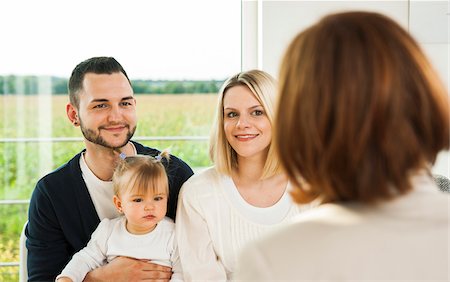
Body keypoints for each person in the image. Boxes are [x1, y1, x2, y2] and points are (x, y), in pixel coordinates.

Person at [235, 11, 450, 281]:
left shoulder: (274, 260)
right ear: (425, 96)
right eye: (232, 113)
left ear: (299, 123)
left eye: (257, 112)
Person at [25, 57, 193, 281]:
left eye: (125, 103)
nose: (116, 116)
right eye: (101, 105)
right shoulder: (52, 194)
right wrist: (100, 278)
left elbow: (201, 263)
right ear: (74, 114)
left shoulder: (175, 174)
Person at [175, 69, 303, 280]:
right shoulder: (198, 193)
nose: (242, 124)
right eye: (232, 114)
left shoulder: (314, 186)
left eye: (257, 112)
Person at [56, 152, 182, 282]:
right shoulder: (108, 230)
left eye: (158, 198)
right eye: (138, 200)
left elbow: (181, 272)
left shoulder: (173, 233)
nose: (150, 207)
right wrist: (67, 278)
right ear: (119, 204)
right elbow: (86, 258)